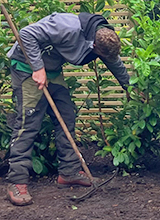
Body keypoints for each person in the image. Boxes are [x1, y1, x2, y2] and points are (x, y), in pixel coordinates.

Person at [5, 12, 131, 206]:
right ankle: (17, 181)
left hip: (52, 72)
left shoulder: (101, 36)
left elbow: (113, 60)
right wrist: (38, 68)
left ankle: (69, 172)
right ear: (94, 45)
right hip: (27, 68)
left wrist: (129, 86)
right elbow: (26, 33)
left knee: (67, 117)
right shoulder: (67, 27)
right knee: (28, 124)